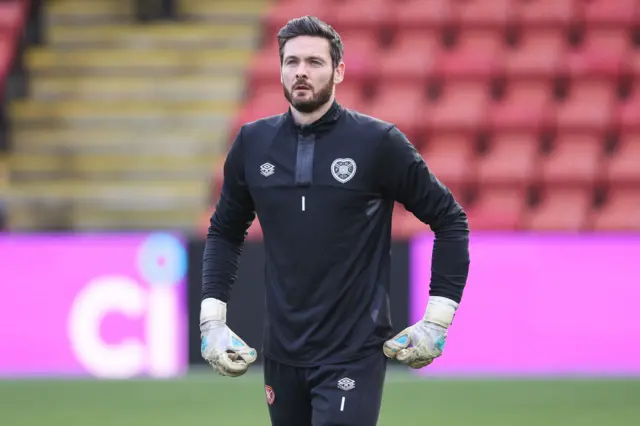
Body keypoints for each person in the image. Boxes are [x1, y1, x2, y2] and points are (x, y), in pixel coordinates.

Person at [200, 16, 470, 426]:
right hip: (281, 353)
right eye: (291, 62)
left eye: (314, 62)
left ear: (338, 71)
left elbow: (450, 220)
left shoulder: (377, 143)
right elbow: (224, 231)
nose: (301, 72)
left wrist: (437, 320)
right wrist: (212, 321)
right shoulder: (252, 143)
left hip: (353, 352)